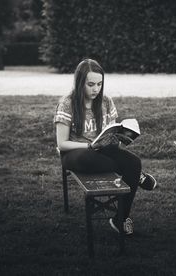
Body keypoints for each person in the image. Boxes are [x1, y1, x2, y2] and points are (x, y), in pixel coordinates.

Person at [54, 58, 156, 235]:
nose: (96, 89)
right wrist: (88, 145)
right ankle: (136, 176)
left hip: (103, 150)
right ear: (80, 83)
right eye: (91, 84)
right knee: (93, 159)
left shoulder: (106, 102)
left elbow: (111, 131)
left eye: (99, 84)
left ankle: (120, 219)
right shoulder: (67, 104)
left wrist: (119, 137)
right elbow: (61, 143)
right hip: (76, 153)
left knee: (134, 162)